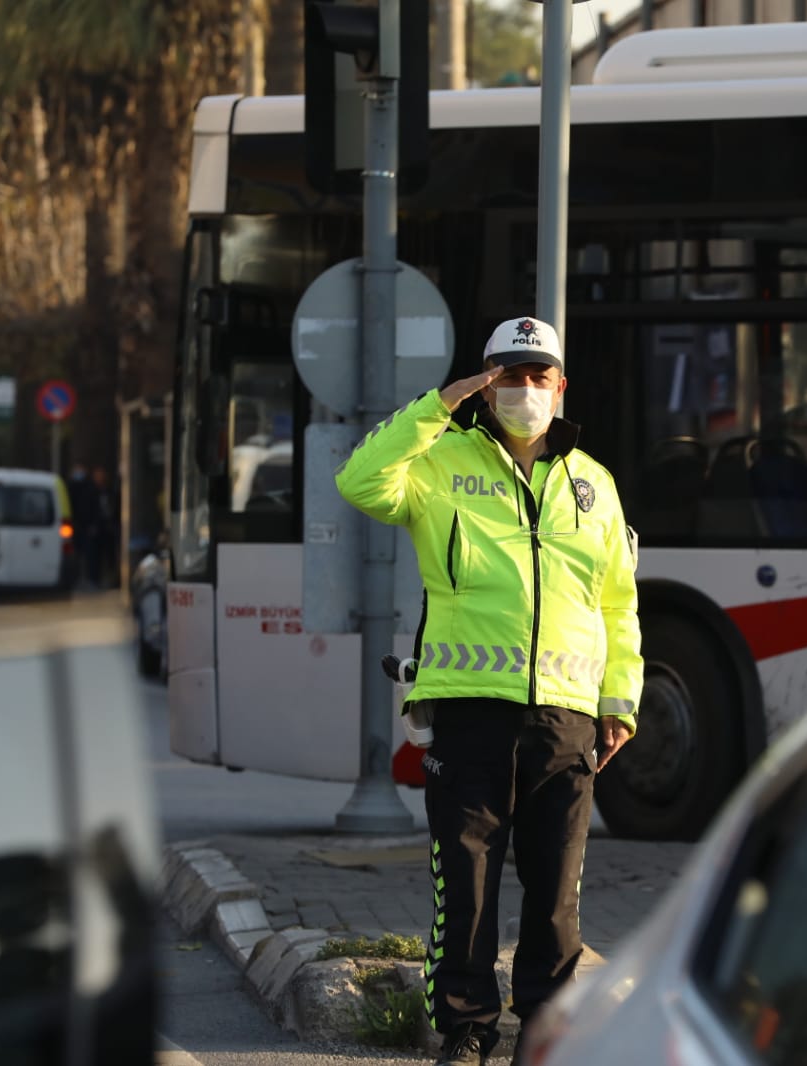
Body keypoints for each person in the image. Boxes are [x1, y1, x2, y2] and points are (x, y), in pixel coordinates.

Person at [335, 316, 643, 1066]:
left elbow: (616, 603)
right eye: (509, 374)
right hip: (468, 706)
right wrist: (434, 407)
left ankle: (543, 1031)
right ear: (484, 381)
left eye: (539, 376)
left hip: (566, 716)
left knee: (555, 891)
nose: (525, 389)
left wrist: (618, 700)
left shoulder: (593, 483)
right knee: (465, 883)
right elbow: (360, 481)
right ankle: (467, 1028)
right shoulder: (439, 463)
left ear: (560, 386)